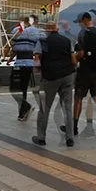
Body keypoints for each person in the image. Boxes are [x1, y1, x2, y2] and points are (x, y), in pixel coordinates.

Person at [33, 19, 77, 147]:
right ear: (57, 29)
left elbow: (36, 58)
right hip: (67, 76)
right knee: (67, 108)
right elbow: (73, 60)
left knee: (44, 107)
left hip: (50, 77)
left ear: (47, 30)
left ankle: (41, 137)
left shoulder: (43, 41)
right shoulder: (66, 40)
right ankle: (70, 138)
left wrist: (37, 70)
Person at [11, 18, 44, 120]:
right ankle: (23, 112)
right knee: (22, 88)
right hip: (28, 63)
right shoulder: (35, 32)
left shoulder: (17, 30)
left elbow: (13, 46)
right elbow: (39, 48)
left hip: (20, 63)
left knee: (16, 89)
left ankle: (24, 110)